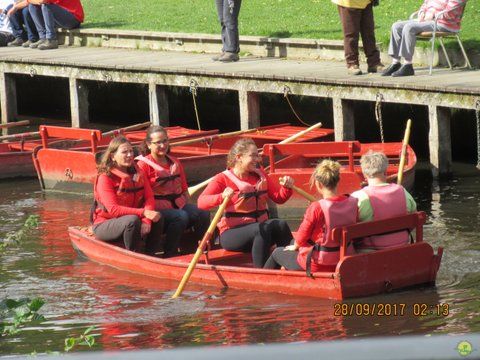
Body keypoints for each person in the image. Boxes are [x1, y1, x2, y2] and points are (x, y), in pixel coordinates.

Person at [197, 138, 294, 268]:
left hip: (259, 232)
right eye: (253, 156)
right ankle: (262, 272)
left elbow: (279, 198)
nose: (258, 159)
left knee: (280, 225)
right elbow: (201, 202)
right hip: (232, 234)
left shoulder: (260, 175)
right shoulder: (222, 178)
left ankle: (290, 264)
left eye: (257, 155)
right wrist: (221, 197)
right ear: (239, 157)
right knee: (260, 229)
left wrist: (287, 188)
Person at [264, 160, 358, 274]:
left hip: (319, 263)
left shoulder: (317, 207)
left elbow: (303, 234)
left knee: (277, 252)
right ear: (338, 182)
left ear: (318, 184)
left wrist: (296, 246)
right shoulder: (352, 202)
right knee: (292, 243)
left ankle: (261, 281)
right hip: (344, 258)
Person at [136, 126, 210, 257]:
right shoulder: (143, 165)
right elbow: (143, 196)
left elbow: (185, 191)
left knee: (202, 212)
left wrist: (192, 207)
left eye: (165, 141)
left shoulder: (175, 162)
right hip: (158, 211)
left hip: (178, 206)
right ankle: (170, 254)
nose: (162, 145)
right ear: (148, 144)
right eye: (158, 142)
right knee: (181, 216)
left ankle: (199, 250)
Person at [91, 136, 163, 254]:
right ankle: (134, 255)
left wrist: (146, 220)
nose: (130, 155)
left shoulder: (137, 171)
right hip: (104, 224)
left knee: (157, 217)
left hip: (132, 218)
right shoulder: (105, 178)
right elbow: (114, 210)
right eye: (125, 152)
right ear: (113, 156)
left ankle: (152, 255)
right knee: (132, 220)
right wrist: (143, 213)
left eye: (131, 151)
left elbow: (149, 197)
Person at [351, 151, 417, 251]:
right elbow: (414, 220)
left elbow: (349, 229)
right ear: (385, 172)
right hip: (403, 249)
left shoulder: (358, 198)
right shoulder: (403, 192)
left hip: (369, 253)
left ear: (364, 175)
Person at [382, 0, 466, 77]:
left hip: (444, 24)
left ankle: (408, 65)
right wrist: (422, 12)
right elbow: (425, 3)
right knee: (396, 26)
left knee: (409, 28)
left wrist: (433, 15)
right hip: (428, 20)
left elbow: (451, 12)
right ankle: (395, 63)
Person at [332, 0, 384, 75]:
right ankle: (352, 64)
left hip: (366, 2)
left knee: (369, 33)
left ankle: (374, 63)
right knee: (351, 35)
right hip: (348, 3)